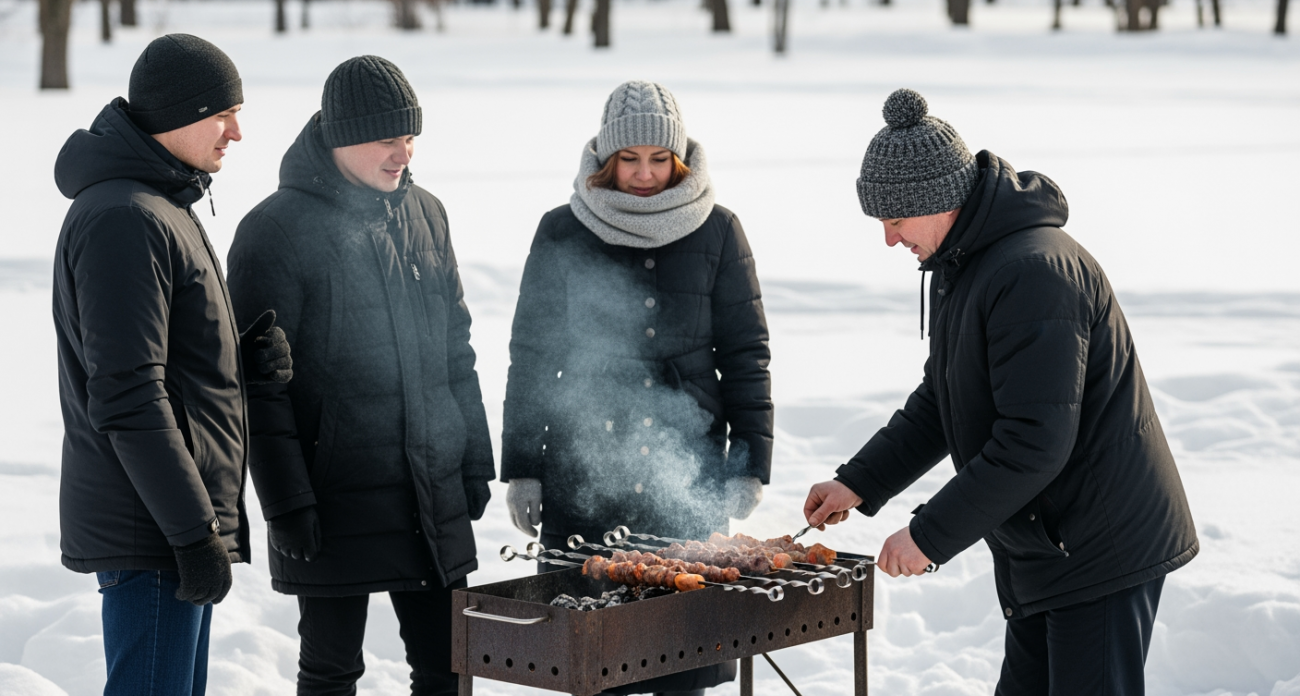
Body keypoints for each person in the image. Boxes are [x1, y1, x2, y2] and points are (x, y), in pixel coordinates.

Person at [803, 88, 1198, 696]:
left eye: (895, 220)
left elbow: (1034, 441)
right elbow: (944, 398)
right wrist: (861, 481)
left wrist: (929, 536)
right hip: (1050, 541)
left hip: (1099, 545)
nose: (889, 240)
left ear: (936, 200)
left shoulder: (1032, 274)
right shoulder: (964, 265)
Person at [226, 55, 495, 696]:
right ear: (342, 134)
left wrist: (473, 461)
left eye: (410, 137)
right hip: (330, 496)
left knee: (450, 666)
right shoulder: (274, 232)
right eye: (387, 138)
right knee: (331, 671)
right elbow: (258, 388)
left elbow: (456, 349)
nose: (403, 153)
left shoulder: (426, 213)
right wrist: (286, 503)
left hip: (429, 486)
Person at [500, 80, 773, 696]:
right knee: (593, 663)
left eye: (658, 159)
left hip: (687, 474)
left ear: (679, 160)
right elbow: (533, 359)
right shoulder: (561, 232)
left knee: (683, 661)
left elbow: (747, 356)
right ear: (605, 161)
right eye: (629, 159)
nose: (644, 175)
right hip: (583, 476)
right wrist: (523, 467)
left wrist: (748, 464)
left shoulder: (718, 231)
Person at [52, 34, 291, 696]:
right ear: (180, 113)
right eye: (224, 114)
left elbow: (161, 363)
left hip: (168, 521)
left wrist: (236, 364)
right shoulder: (125, 219)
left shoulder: (162, 205)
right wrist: (192, 535)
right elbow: (128, 395)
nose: (237, 132)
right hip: (151, 527)